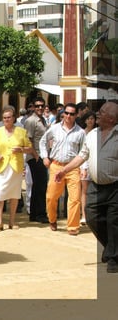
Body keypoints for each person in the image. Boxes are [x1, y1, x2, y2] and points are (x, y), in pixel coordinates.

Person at [54, 102, 118, 273]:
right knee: (91, 217)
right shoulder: (92, 135)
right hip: (96, 186)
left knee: (113, 222)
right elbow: (82, 156)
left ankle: (113, 258)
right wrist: (64, 170)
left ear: (111, 119)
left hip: (115, 188)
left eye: (102, 112)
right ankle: (111, 248)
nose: (98, 113)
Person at [39, 103, 86, 236]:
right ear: (63, 113)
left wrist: (83, 168)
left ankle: (72, 226)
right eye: (66, 113)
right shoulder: (54, 129)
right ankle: (52, 219)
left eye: (72, 114)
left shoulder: (81, 132)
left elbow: (84, 152)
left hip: (73, 167)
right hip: (56, 165)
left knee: (75, 198)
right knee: (51, 196)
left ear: (76, 115)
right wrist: (44, 157)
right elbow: (42, 142)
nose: (68, 116)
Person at [0, 107, 33, 231]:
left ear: (14, 118)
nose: (7, 119)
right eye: (4, 118)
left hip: (15, 166)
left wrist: (21, 150)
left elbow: (29, 147)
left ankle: (12, 221)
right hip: (1, 166)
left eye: (9, 117)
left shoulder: (21, 131)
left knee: (14, 194)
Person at [24, 97, 49, 224]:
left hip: (42, 155)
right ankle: (40, 213)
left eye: (42, 106)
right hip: (36, 157)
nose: (40, 108)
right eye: (37, 106)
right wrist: (36, 156)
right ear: (33, 107)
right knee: (41, 185)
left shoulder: (43, 120)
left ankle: (34, 213)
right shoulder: (31, 120)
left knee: (37, 186)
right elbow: (28, 140)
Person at [79, 111, 97, 225]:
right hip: (84, 164)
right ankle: (84, 215)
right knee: (84, 191)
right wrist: (83, 167)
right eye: (88, 118)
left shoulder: (97, 133)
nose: (90, 121)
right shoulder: (82, 133)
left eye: (92, 118)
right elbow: (81, 153)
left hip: (94, 165)